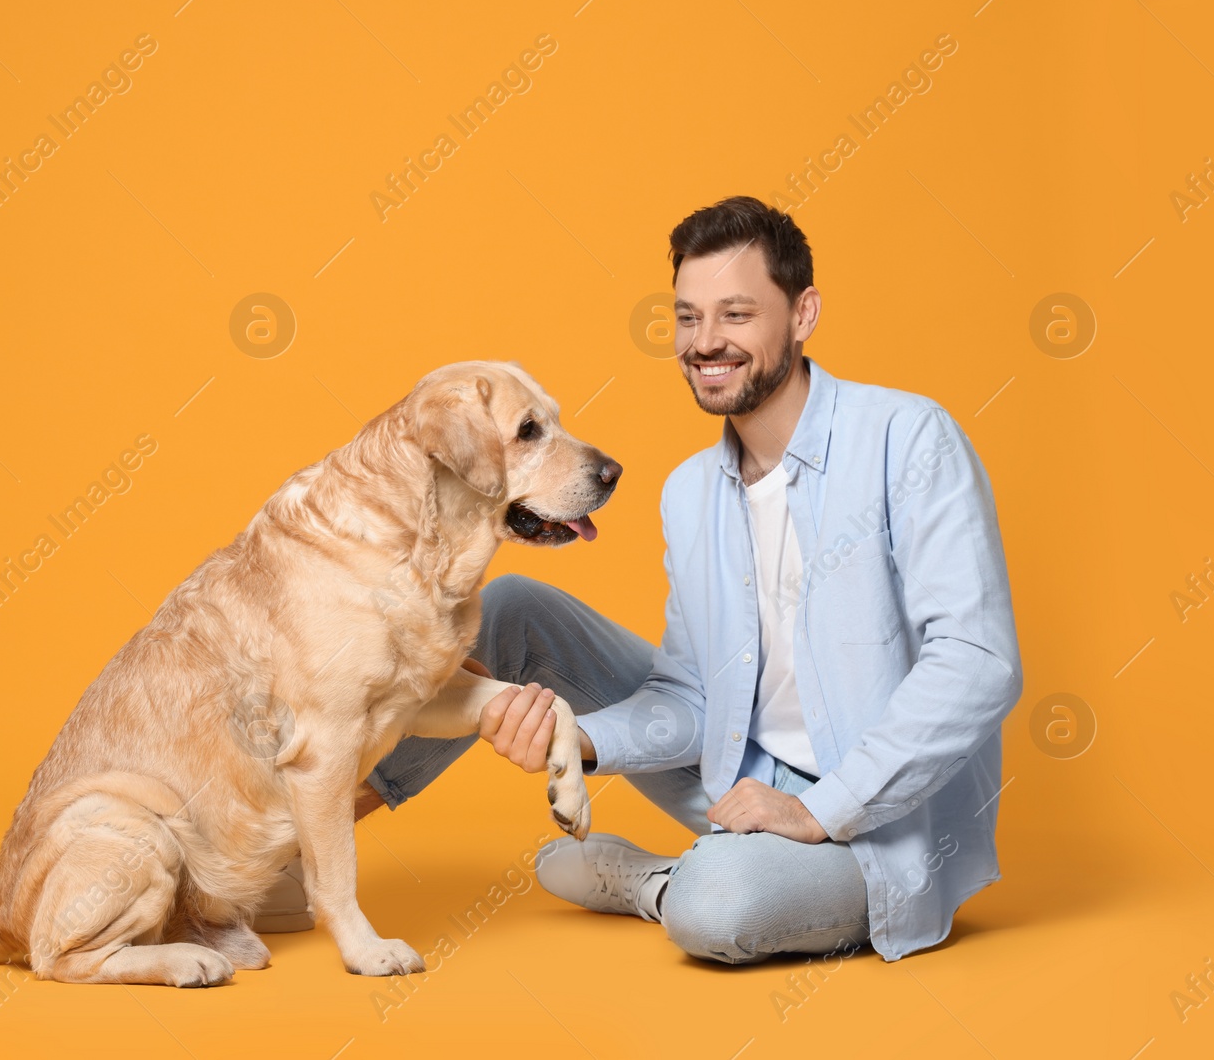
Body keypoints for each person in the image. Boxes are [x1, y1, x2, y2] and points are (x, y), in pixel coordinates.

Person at [258, 195, 1023, 965]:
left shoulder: (908, 438)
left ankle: (657, 881)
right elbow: (693, 698)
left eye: (736, 314)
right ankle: (280, 853)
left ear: (803, 313)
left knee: (720, 905)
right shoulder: (692, 491)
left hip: (880, 827)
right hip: (736, 782)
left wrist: (819, 808)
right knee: (514, 608)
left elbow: (978, 662)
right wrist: (575, 741)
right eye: (689, 318)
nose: (707, 342)